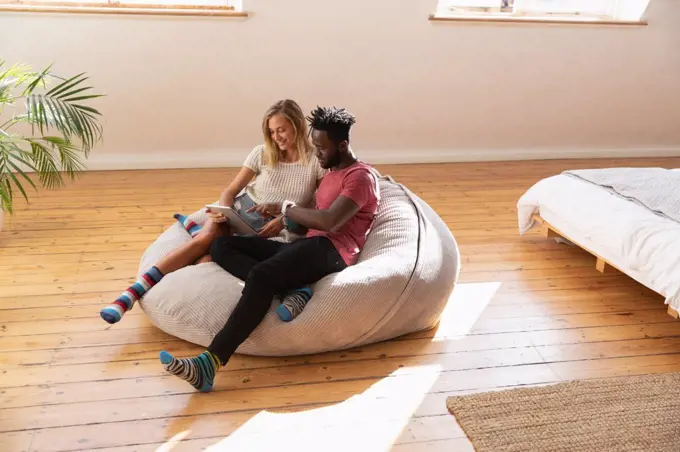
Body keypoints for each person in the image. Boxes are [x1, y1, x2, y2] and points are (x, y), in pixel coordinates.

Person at [159, 105, 381, 392]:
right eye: (314, 146)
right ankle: (294, 290)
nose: (316, 153)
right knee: (222, 245)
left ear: (343, 145)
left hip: (332, 251)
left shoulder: (360, 177)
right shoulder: (331, 172)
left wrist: (287, 208)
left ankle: (209, 362)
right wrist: (282, 220)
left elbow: (329, 221)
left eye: (322, 149)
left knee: (262, 276)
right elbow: (304, 225)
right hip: (308, 245)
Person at [99, 99, 325, 324]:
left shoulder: (316, 160)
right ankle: (131, 294)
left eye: (281, 130)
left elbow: (320, 208)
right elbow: (232, 189)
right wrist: (225, 210)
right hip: (241, 213)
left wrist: (286, 219)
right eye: (272, 132)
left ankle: (196, 233)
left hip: (274, 228)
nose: (277, 137)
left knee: (207, 257)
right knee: (206, 239)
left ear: (297, 125)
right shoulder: (262, 153)